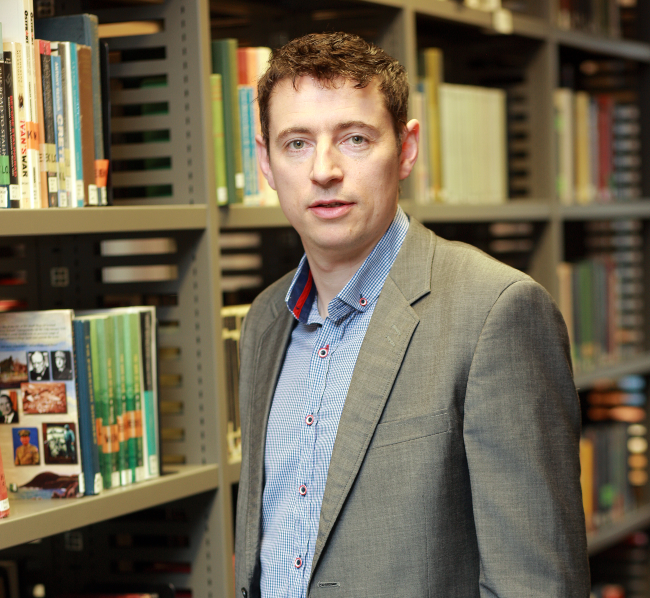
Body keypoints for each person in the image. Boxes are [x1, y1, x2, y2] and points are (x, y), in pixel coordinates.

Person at [235, 32, 590, 598]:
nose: (324, 170)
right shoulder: (262, 324)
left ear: (405, 149)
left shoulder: (497, 312)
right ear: (266, 162)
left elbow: (537, 584)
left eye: (354, 138)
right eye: (296, 143)